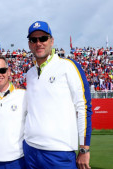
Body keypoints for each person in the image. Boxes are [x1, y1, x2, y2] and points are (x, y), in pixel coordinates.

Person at [23, 21, 92, 169]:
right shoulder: (30, 73)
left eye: (43, 38)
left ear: (51, 41)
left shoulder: (68, 66)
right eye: (34, 40)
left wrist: (84, 148)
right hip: (30, 150)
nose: (38, 43)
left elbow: (83, 107)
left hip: (59, 152)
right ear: (29, 44)